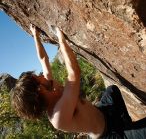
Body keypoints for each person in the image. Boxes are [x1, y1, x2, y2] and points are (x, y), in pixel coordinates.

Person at [11, 25, 146, 139]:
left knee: (112, 91)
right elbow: (74, 74)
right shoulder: (57, 115)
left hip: (104, 112)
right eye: (37, 77)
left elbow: (43, 59)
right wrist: (61, 40)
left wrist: (36, 36)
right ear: (38, 89)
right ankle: (128, 130)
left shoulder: (50, 87)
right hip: (110, 133)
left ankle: (127, 124)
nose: (40, 75)